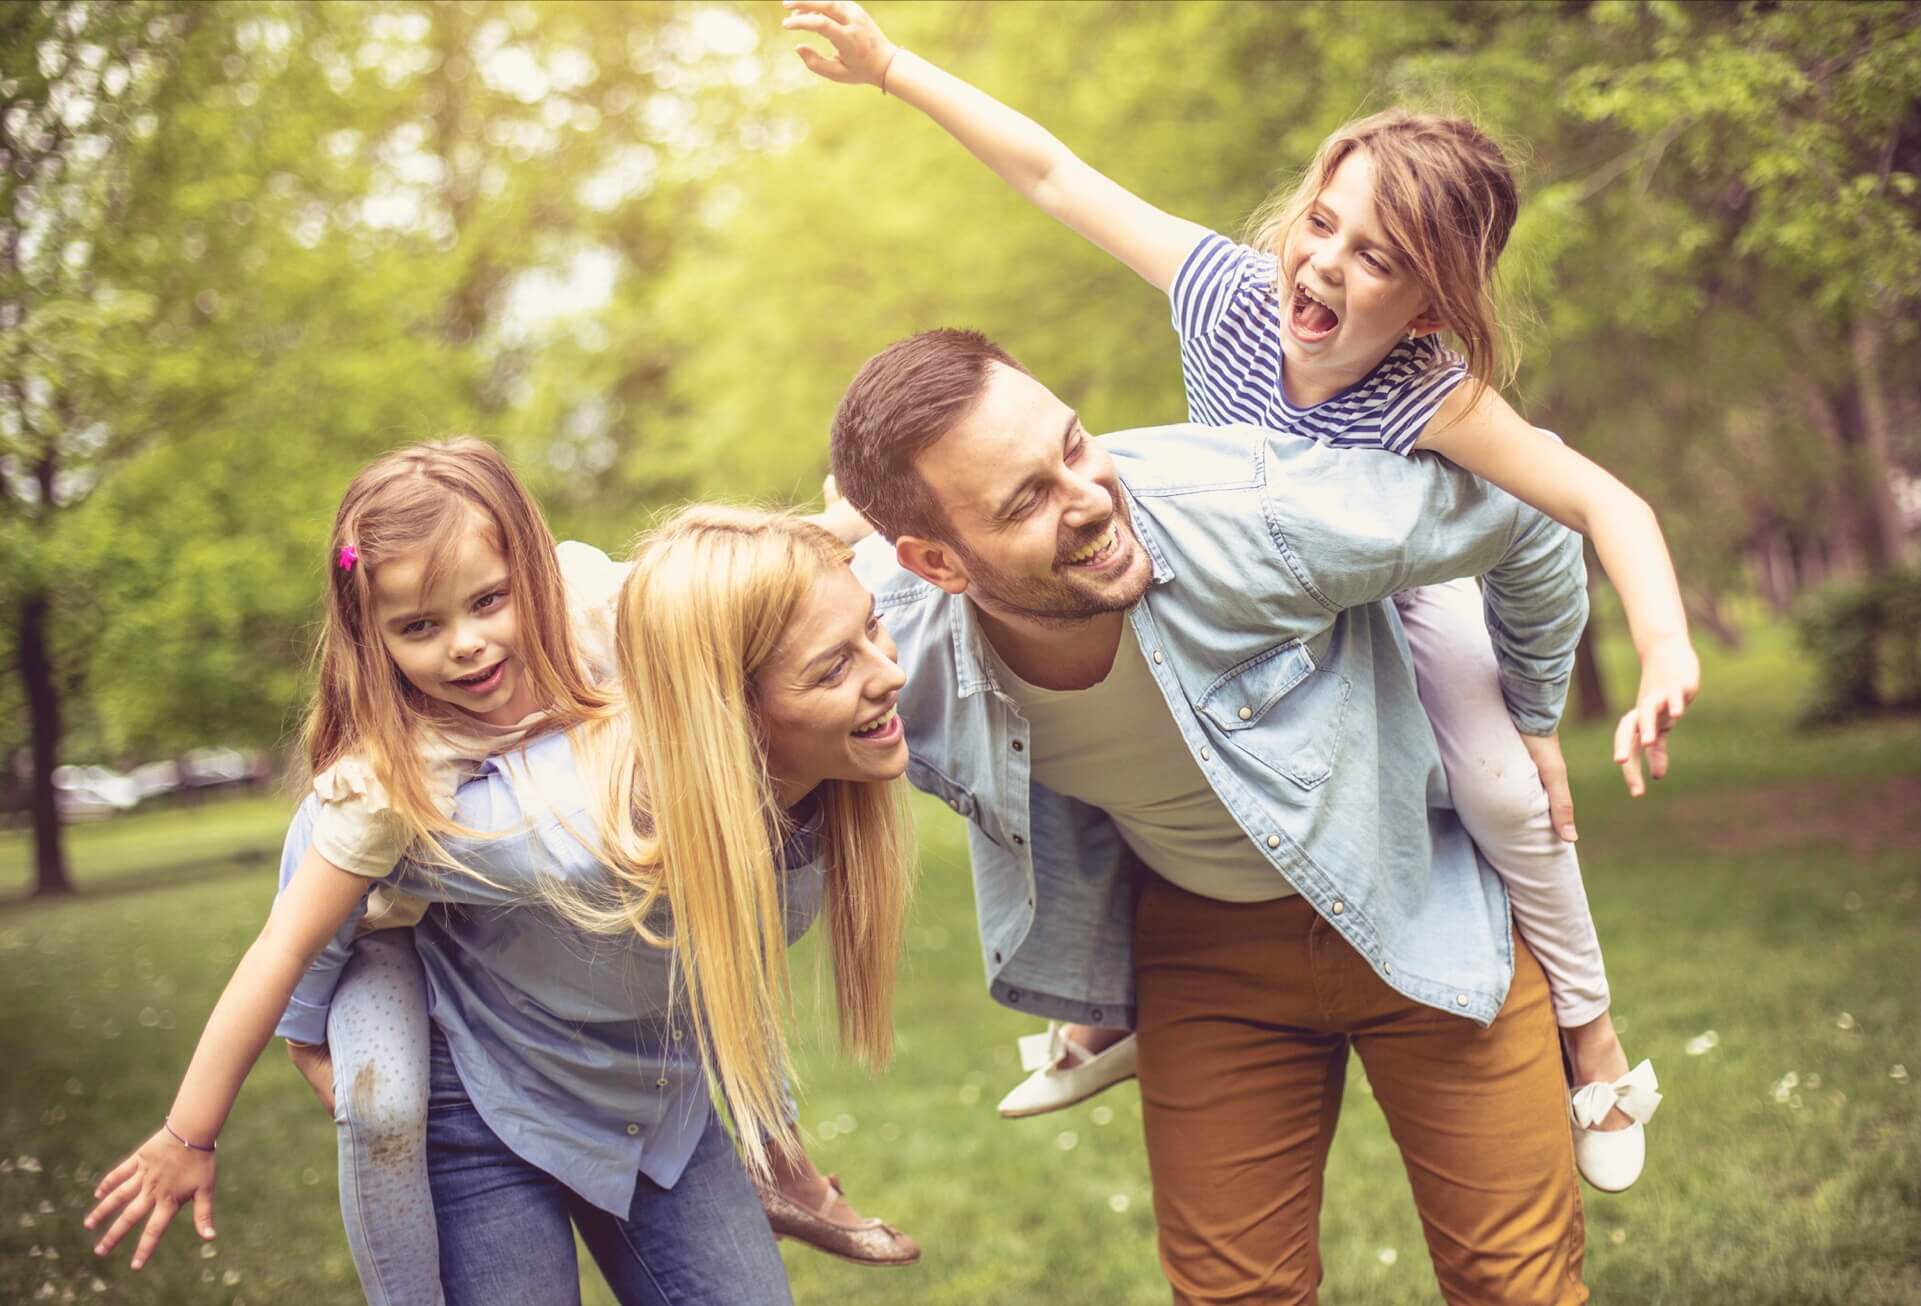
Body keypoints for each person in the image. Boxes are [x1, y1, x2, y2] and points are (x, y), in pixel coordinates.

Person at [784, 0, 1692, 1192]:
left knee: (1506, 797)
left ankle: (1591, 1035)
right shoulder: (1223, 292)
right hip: (1232, 571)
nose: (1321, 263)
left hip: (1392, 583)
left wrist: (1616, 670)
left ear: (1424, 307)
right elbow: (1055, 174)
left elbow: (1594, 504)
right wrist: (893, 67)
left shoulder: (1436, 397)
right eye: (1323, 222)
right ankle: (1109, 1015)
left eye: (1374, 258)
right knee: (1108, 742)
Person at [821, 326, 1634, 1303]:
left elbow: (1527, 504)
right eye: (1027, 499)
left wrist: (1533, 709)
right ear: (936, 563)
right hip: (1206, 956)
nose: (1087, 499)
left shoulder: (1251, 509)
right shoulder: (885, 643)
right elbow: (735, 661)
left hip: (1421, 896)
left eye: (1074, 446)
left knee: (1517, 1288)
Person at [82, 442, 916, 1296]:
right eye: (418, 627)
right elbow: (286, 942)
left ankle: (783, 1163)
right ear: (372, 638)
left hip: (645, 1080)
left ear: (531, 568)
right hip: (476, 1088)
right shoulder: (397, 775)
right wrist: (195, 1130)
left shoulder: (590, 603)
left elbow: (737, 590)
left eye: (488, 601)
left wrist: (850, 521)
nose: (467, 647)